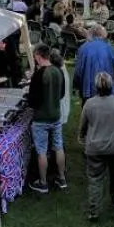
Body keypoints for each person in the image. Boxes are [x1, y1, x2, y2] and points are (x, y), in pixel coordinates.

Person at [79, 70, 114, 223]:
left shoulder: (89, 104)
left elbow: (82, 125)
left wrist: (82, 137)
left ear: (96, 87)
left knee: (95, 179)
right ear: (112, 86)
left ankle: (94, 210)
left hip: (95, 147)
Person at [28, 47, 69, 194]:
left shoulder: (39, 74)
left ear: (38, 56)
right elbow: (62, 94)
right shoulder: (58, 71)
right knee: (58, 147)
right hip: (56, 115)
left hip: (41, 118)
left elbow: (32, 100)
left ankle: (43, 182)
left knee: (42, 151)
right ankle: (62, 178)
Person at [73, 22, 114, 100]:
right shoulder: (109, 48)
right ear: (103, 34)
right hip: (108, 89)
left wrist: (76, 86)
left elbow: (78, 70)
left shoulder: (83, 48)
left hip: (88, 90)